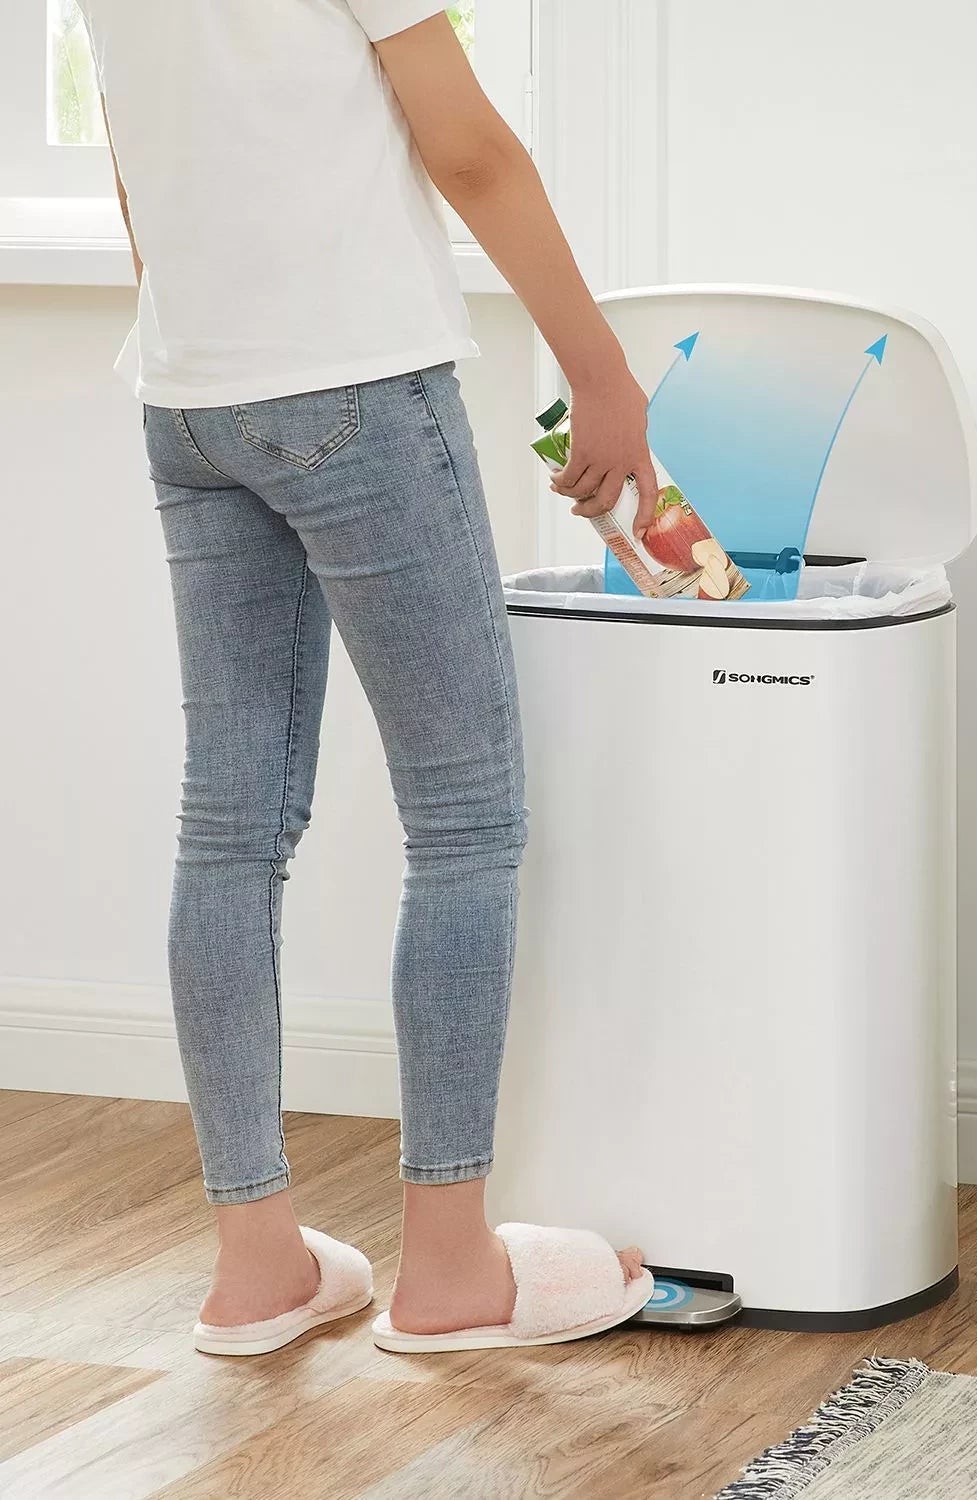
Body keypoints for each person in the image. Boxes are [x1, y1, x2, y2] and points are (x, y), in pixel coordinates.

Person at [79, 0, 658, 1355]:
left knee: (230, 827)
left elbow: (134, 155)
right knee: (464, 820)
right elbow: (469, 150)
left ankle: (258, 1265)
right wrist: (601, 372)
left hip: (190, 397)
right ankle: (451, 1268)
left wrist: (211, 346)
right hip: (356, 384)